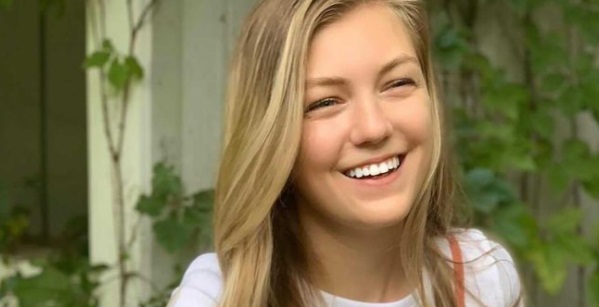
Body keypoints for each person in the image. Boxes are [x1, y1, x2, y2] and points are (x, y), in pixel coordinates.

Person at [168, 0, 523, 306]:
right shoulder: (221, 297)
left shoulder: (482, 281)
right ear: (271, 137)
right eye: (325, 102)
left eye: (397, 83)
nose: (373, 128)